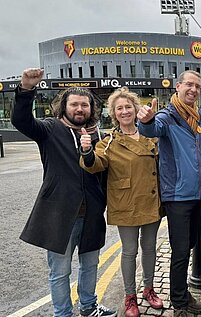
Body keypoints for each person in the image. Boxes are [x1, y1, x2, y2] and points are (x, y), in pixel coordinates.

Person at [11, 68, 116, 317]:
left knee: (90, 266)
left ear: (92, 109)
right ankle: (63, 313)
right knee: (60, 272)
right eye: (74, 105)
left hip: (92, 215)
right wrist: (26, 90)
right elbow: (21, 121)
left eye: (84, 105)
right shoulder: (49, 130)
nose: (80, 109)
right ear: (64, 107)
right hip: (60, 216)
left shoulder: (100, 136)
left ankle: (89, 306)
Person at [79, 87, 163, 317]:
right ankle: (130, 297)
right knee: (129, 251)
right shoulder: (109, 142)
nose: (125, 112)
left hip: (151, 201)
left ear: (136, 110)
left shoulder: (151, 136)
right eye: (120, 109)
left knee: (149, 249)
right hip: (126, 203)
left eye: (128, 107)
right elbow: (95, 164)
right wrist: (86, 151)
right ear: (114, 114)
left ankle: (148, 289)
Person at [137, 70, 201, 317]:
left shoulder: (196, 118)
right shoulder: (168, 116)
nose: (194, 90)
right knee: (179, 251)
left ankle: (182, 292)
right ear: (178, 86)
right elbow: (150, 129)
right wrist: (144, 119)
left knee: (189, 245)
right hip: (177, 196)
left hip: (197, 194)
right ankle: (178, 304)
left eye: (197, 86)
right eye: (189, 84)